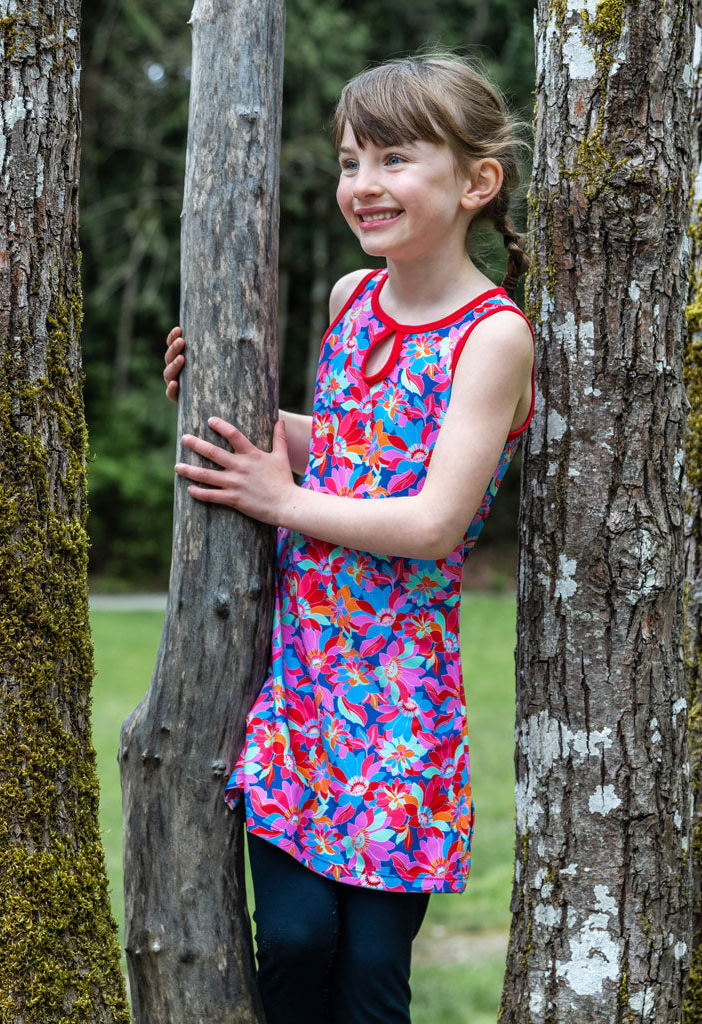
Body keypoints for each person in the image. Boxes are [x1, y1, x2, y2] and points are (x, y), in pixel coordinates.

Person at [164, 54, 534, 1024]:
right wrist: (221, 401)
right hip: (304, 690)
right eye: (349, 162)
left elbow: (432, 521)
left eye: (394, 159)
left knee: (370, 973)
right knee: (293, 940)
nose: (363, 184)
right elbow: (342, 449)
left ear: (476, 181)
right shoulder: (350, 301)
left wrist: (277, 500)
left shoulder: (491, 337)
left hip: (404, 708)